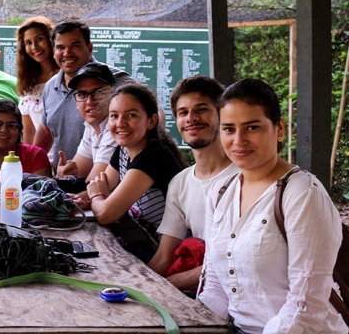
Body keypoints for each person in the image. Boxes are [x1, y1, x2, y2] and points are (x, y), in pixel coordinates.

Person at [197, 79, 346, 333]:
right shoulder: (220, 192)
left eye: (252, 127)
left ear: (279, 129)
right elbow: (214, 284)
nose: (239, 140)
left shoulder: (301, 193)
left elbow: (306, 304)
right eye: (229, 129)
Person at [147, 76, 239, 292]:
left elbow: (233, 262)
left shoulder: (245, 177)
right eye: (183, 112)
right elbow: (164, 257)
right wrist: (135, 287)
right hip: (202, 294)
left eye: (202, 109)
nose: (191, 118)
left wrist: (162, 288)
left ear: (222, 114)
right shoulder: (180, 182)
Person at [87, 83, 185, 262]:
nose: (120, 123)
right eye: (114, 116)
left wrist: (96, 197)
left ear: (151, 121)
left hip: (171, 258)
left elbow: (106, 213)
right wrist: (93, 196)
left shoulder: (153, 156)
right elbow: (102, 186)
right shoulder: (125, 150)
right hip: (144, 245)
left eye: (131, 115)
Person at [34, 20, 129, 172]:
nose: (67, 53)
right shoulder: (51, 86)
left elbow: (151, 112)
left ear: (89, 48)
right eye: (60, 47)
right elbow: (46, 130)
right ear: (53, 52)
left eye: (75, 46)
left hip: (111, 181)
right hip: (71, 179)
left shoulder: (115, 80)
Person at [56, 62, 118, 188]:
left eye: (99, 92)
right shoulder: (91, 128)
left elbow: (92, 186)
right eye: (83, 94)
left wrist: (65, 182)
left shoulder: (117, 127)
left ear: (114, 95)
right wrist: (63, 175)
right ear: (76, 101)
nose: (90, 101)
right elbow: (75, 174)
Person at [15, 17, 59, 145]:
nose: (34, 47)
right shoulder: (27, 81)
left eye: (39, 39)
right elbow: (28, 132)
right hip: (40, 157)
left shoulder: (65, 75)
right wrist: (30, 161)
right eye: (28, 43)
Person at [0, 99, 51, 176]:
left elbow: (44, 187)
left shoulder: (35, 156)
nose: (3, 130)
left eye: (11, 125)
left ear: (19, 130)